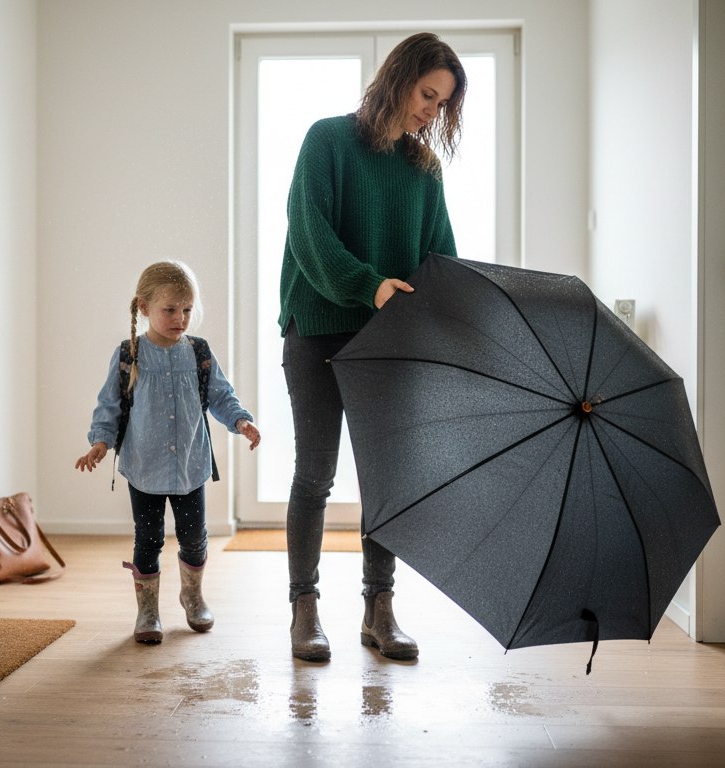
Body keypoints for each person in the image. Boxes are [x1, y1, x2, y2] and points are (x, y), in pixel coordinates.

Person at [278, 32, 466, 662]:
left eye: (442, 105)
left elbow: (439, 255)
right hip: (316, 328)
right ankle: (304, 610)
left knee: (385, 479)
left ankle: (378, 610)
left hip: (388, 340)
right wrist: (369, 286)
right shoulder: (326, 141)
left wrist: (458, 311)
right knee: (314, 474)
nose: (431, 112)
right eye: (427, 95)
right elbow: (309, 234)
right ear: (399, 78)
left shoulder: (424, 169)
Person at [77, 261, 261, 644]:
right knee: (148, 539)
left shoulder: (197, 352)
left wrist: (241, 421)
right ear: (143, 308)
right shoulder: (130, 354)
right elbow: (109, 405)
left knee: (195, 536)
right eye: (170, 310)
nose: (181, 319)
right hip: (144, 466)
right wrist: (100, 442)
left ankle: (192, 595)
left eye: (187, 310)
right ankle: (148, 610)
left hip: (190, 465)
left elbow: (220, 396)